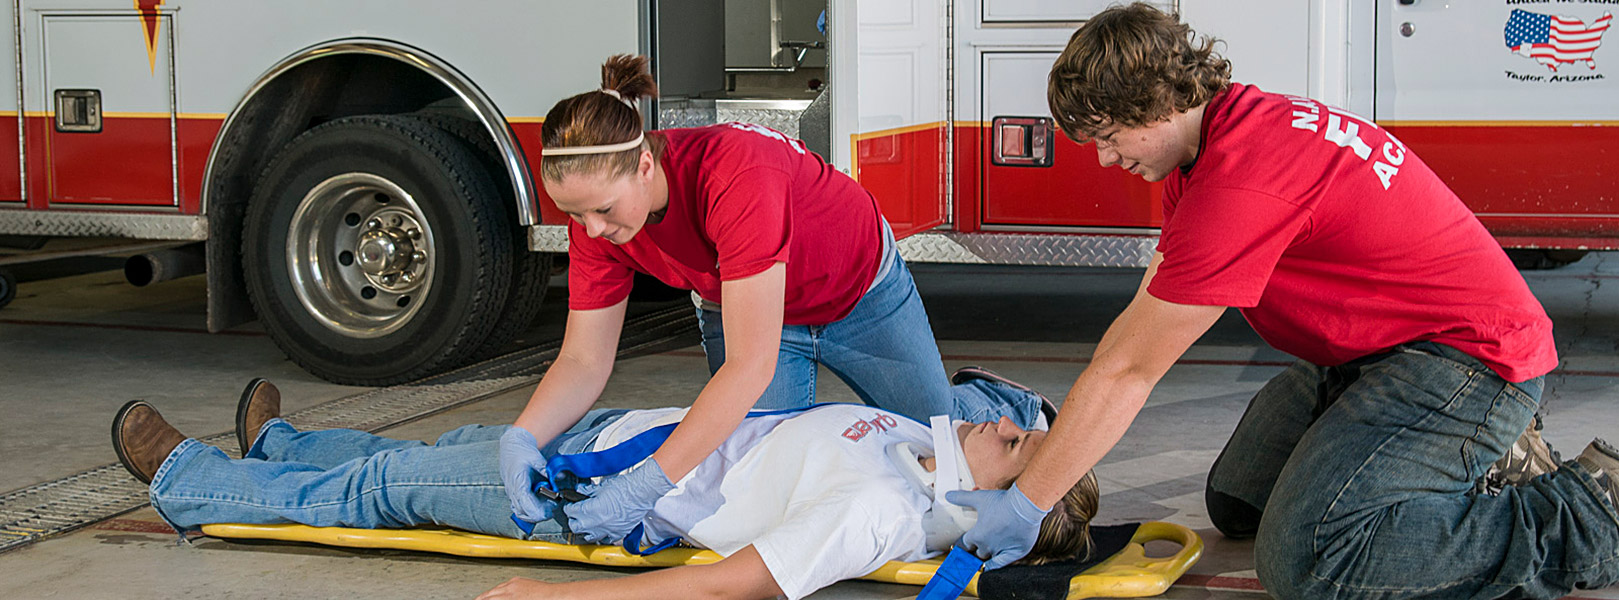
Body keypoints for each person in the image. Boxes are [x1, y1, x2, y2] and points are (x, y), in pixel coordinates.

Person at [948, 4, 1619, 599]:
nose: (1101, 159)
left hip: (1462, 362)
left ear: (1152, 105)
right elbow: (1145, 313)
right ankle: (1471, 464)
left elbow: (1130, 369)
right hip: (1372, 353)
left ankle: (1587, 515)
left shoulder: (1239, 182)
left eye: (1106, 137)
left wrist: (1030, 502)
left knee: (1309, 560)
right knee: (1238, 501)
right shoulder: (1220, 136)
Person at [501, 53, 1056, 545]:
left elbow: (748, 367)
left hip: (858, 291)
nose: (591, 230)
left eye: (602, 209)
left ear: (646, 165)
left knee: (945, 449)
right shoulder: (596, 225)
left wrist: (647, 483)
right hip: (743, 311)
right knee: (762, 472)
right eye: (574, 214)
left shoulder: (735, 173)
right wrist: (523, 436)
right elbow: (582, 359)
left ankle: (990, 403)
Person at [109, 380, 1098, 600]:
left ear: (993, 500)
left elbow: (721, 586)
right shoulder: (923, 448)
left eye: (1019, 444)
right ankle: (281, 444)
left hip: (593, 499)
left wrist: (554, 599)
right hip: (614, 436)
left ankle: (186, 480)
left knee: (384, 487)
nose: (1006, 423)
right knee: (446, 444)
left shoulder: (879, 515)